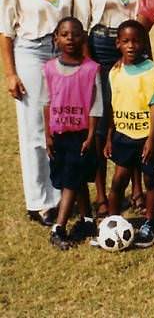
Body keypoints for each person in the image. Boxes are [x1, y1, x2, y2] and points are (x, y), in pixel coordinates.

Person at [1, 0, 73, 225]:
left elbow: (73, 19)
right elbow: (5, 30)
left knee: (62, 125)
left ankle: (60, 194)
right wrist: (10, 73)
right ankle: (39, 201)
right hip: (30, 50)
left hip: (62, 52)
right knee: (34, 129)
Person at [73, 0, 145, 218]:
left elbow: (139, 16)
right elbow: (82, 20)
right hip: (101, 44)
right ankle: (102, 195)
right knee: (103, 122)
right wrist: (89, 61)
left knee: (135, 114)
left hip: (131, 44)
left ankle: (137, 188)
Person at [105, 20, 154, 247]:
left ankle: (149, 223)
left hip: (146, 137)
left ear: (144, 44)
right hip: (123, 135)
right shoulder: (115, 71)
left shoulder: (153, 73)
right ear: (118, 44)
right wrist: (109, 136)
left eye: (136, 41)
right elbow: (113, 105)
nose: (131, 46)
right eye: (126, 41)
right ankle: (112, 221)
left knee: (150, 180)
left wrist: (151, 140)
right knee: (118, 180)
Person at [43, 17, 102, 249]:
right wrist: (47, 134)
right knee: (72, 178)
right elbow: (46, 102)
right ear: (56, 38)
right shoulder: (49, 69)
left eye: (75, 34)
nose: (70, 39)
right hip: (59, 134)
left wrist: (91, 135)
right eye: (64, 34)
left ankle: (58, 228)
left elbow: (96, 106)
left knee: (72, 177)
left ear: (83, 37)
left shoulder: (91, 69)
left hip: (81, 135)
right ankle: (87, 220)